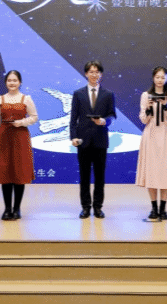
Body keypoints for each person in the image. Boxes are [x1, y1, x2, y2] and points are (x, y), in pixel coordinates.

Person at [70, 60, 116, 219]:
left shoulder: (108, 94)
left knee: (99, 177)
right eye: (91, 72)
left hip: (100, 140)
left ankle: (97, 207)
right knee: (84, 176)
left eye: (97, 72)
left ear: (101, 74)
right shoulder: (78, 94)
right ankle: (85, 207)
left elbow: (112, 115)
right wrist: (73, 137)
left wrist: (104, 121)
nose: (94, 74)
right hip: (82, 141)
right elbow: (73, 118)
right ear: (86, 74)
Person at [0, 70, 38, 221]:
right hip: (4, 138)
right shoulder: (0, 99)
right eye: (9, 80)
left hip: (20, 137)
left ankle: (17, 209)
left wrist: (22, 122)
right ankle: (7, 209)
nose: (12, 83)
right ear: (6, 82)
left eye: (15, 80)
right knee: (5, 174)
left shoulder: (26, 99)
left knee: (19, 173)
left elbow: (34, 117)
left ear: (20, 82)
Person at [135, 66, 167, 220]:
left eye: (163, 77)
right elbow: (143, 119)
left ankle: (163, 208)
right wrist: (149, 108)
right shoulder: (146, 95)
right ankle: (154, 208)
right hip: (151, 135)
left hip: (166, 134)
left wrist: (166, 105)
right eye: (157, 77)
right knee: (152, 171)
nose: (160, 80)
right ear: (153, 78)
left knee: (165, 171)